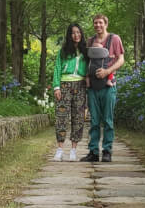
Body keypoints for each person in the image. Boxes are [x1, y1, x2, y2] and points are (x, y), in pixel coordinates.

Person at [81, 13, 125, 162]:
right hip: (93, 86)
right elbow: (86, 62)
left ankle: (107, 151)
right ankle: (93, 152)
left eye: (100, 23)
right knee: (94, 121)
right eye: (95, 23)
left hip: (108, 86)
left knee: (107, 120)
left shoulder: (115, 39)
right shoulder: (90, 41)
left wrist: (107, 71)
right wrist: (87, 78)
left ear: (106, 24)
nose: (98, 25)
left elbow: (121, 59)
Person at [50, 23, 88, 161]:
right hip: (64, 85)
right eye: (73, 33)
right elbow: (57, 68)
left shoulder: (86, 50)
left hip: (81, 85)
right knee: (61, 117)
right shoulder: (64, 50)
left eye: (78, 32)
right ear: (69, 35)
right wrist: (56, 87)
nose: (76, 35)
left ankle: (73, 150)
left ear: (81, 34)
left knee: (78, 118)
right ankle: (60, 149)